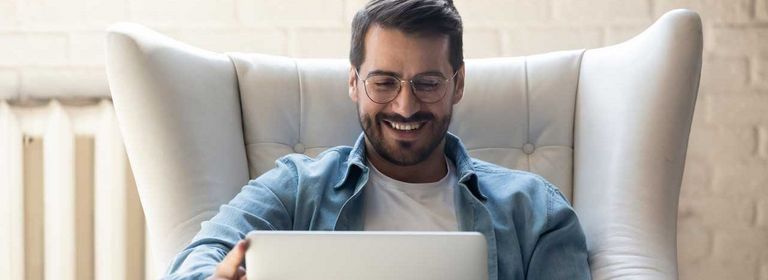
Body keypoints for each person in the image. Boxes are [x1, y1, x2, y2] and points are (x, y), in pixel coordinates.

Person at [165, 0, 591, 279]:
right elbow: (194, 260)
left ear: (457, 84)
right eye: (384, 82)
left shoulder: (536, 211)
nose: (405, 107)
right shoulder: (297, 188)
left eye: (427, 83)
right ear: (353, 83)